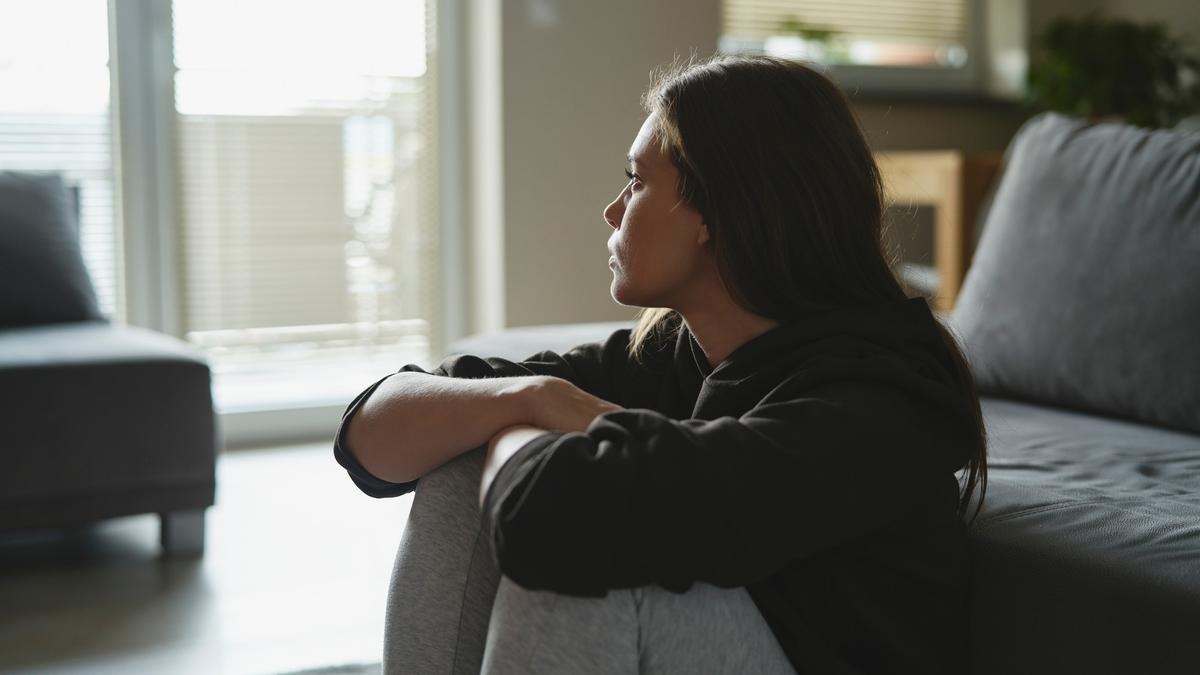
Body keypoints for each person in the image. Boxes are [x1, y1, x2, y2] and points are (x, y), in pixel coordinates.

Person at [334, 54, 988, 675]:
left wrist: (532, 418)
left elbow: (545, 516)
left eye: (637, 181)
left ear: (715, 213)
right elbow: (370, 435)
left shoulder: (876, 402)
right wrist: (532, 398)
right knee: (459, 455)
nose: (613, 210)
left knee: (588, 559)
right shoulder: (682, 354)